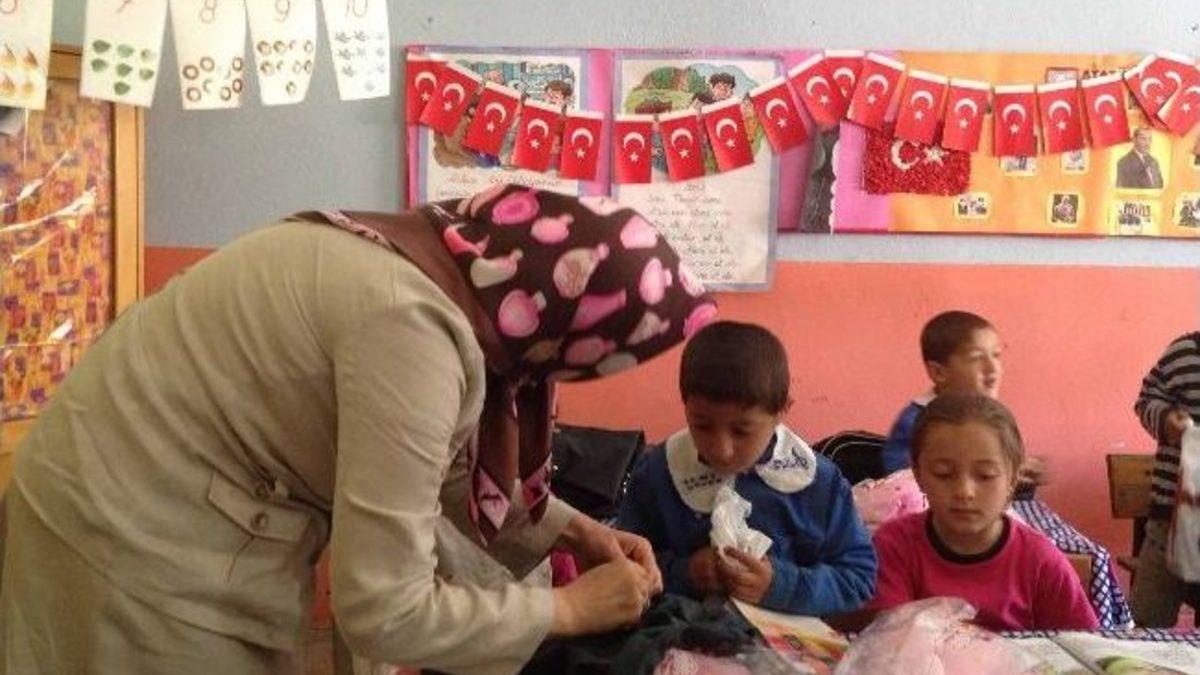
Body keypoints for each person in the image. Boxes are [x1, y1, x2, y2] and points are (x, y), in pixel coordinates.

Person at [0, 185, 719, 674]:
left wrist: (572, 532)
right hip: (130, 543)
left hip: (121, 491)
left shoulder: (431, 267)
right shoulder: (413, 329)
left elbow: (438, 468)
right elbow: (385, 609)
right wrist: (563, 609)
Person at [616, 321, 877, 616]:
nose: (721, 450)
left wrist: (780, 585)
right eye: (702, 425)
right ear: (685, 405)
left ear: (782, 411)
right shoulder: (657, 472)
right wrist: (686, 573)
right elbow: (621, 561)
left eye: (742, 431)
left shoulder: (820, 483)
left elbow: (859, 579)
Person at [869, 393, 1099, 631]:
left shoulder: (1041, 561)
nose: (964, 491)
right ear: (918, 475)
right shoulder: (893, 547)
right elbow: (888, 639)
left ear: (1013, 478)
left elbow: (1083, 644)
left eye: (985, 475)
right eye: (943, 474)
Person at [881, 311, 1046, 495]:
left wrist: (1018, 470)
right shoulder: (916, 421)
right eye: (976, 358)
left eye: (996, 355)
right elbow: (900, 484)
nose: (993, 368)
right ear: (938, 373)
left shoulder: (995, 418)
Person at [1130, 330, 1200, 627]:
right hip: (1168, 518)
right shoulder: (1185, 352)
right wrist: (1166, 419)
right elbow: (1147, 399)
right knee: (1148, 616)